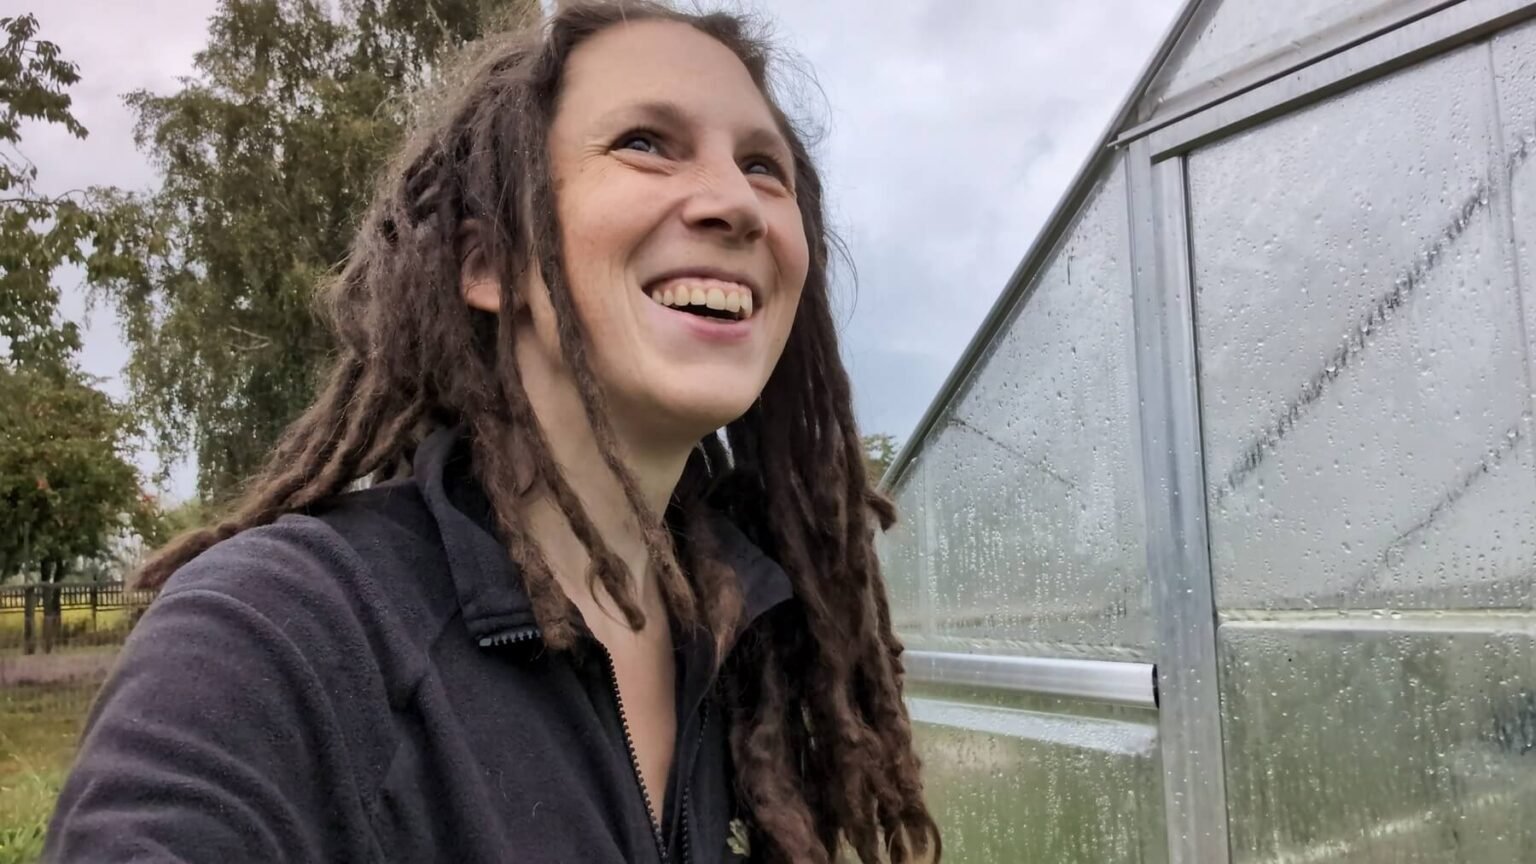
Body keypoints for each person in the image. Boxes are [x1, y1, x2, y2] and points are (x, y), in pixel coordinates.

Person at [46, 2, 942, 862]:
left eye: (762, 166)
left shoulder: (741, 636)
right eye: (645, 143)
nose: (736, 203)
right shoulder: (283, 632)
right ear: (491, 265)